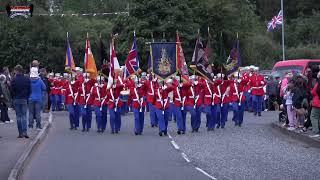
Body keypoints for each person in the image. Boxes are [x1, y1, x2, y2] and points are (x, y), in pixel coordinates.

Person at [11, 65, 31, 138]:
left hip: (16, 99)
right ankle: (25, 132)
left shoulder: (14, 79)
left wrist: (13, 97)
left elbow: (11, 90)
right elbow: (29, 89)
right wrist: (27, 97)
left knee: (18, 117)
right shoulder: (27, 79)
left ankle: (20, 133)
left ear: (16, 71)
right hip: (24, 99)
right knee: (24, 116)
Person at [310, 72, 320, 137]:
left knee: (313, 116)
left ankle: (316, 131)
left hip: (317, 102)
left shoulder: (318, 84)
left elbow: (313, 92)